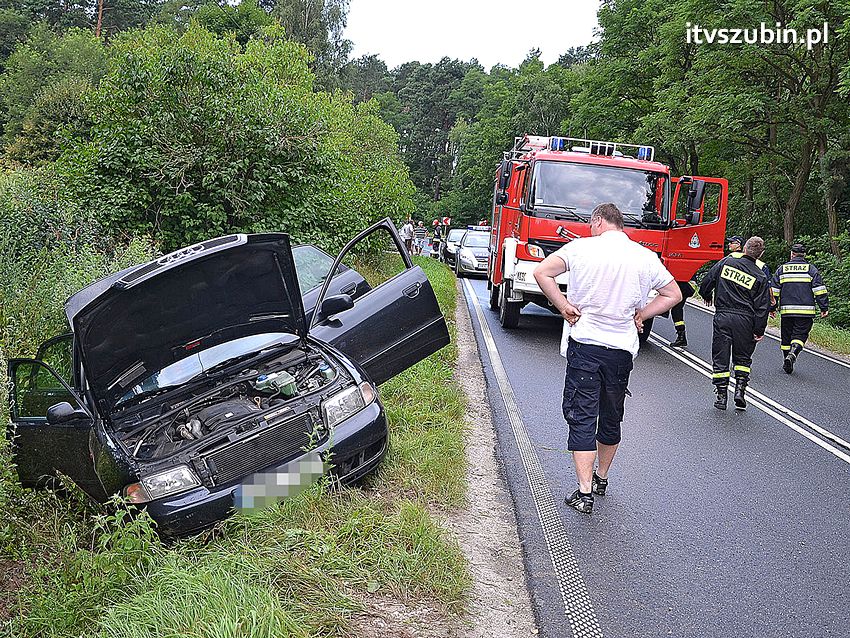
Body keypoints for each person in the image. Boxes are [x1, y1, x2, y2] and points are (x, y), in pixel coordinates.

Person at [533, 203, 682, 515]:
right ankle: (602, 478)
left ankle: (584, 492)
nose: (591, 229)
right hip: (621, 351)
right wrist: (643, 314)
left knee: (583, 415)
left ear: (598, 221)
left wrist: (563, 305)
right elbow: (673, 294)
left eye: (591, 224)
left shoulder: (580, 248)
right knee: (611, 416)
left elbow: (541, 272)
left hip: (586, 345)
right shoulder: (645, 257)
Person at [698, 236, 771, 411]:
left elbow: (707, 281)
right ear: (760, 254)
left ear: (744, 248)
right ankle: (740, 391)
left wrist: (706, 294)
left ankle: (721, 396)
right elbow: (763, 307)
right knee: (743, 358)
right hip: (746, 320)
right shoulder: (760, 276)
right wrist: (759, 330)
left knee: (721, 355)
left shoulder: (726, 262)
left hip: (723, 315)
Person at [770, 242, 829, 374]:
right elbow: (819, 290)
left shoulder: (782, 269)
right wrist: (824, 307)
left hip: (787, 311)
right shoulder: (811, 270)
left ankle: (787, 360)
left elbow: (773, 291)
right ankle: (793, 354)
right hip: (805, 312)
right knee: (800, 335)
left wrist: (772, 308)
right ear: (804, 255)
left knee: (786, 337)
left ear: (792, 254)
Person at [669, 279, 699, 347]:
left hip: (684, 285)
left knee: (676, 310)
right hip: (688, 286)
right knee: (677, 310)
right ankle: (681, 337)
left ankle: (681, 337)